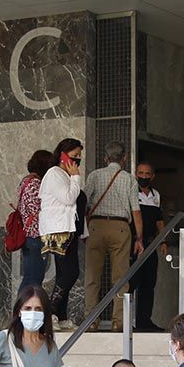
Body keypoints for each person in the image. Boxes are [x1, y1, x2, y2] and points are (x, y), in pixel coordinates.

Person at [82, 142, 143, 332]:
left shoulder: (94, 175)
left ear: (105, 158)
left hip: (96, 227)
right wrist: (139, 238)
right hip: (121, 228)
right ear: (124, 158)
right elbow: (136, 211)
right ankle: (118, 322)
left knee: (92, 276)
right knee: (120, 278)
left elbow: (83, 202)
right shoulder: (130, 179)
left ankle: (91, 320)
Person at [40, 138, 84, 331]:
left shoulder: (64, 175)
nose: (77, 161)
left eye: (79, 157)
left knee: (64, 274)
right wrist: (75, 177)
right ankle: (50, 313)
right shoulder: (55, 174)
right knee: (70, 272)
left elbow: (75, 209)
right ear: (62, 155)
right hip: (58, 231)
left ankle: (61, 316)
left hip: (69, 229)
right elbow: (68, 198)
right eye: (74, 157)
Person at [128, 161, 167, 332]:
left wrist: (163, 241)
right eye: (141, 173)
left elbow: (159, 221)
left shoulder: (155, 195)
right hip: (133, 244)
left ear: (152, 176)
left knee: (149, 282)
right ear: (136, 174)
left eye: (147, 174)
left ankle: (144, 320)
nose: (143, 177)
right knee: (131, 282)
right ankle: (126, 321)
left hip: (151, 245)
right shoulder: (131, 192)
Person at [16, 150, 53, 292]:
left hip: (28, 236)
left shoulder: (25, 181)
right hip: (35, 235)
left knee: (31, 277)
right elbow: (40, 209)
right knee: (34, 279)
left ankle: (21, 311)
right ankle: (21, 312)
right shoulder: (35, 183)